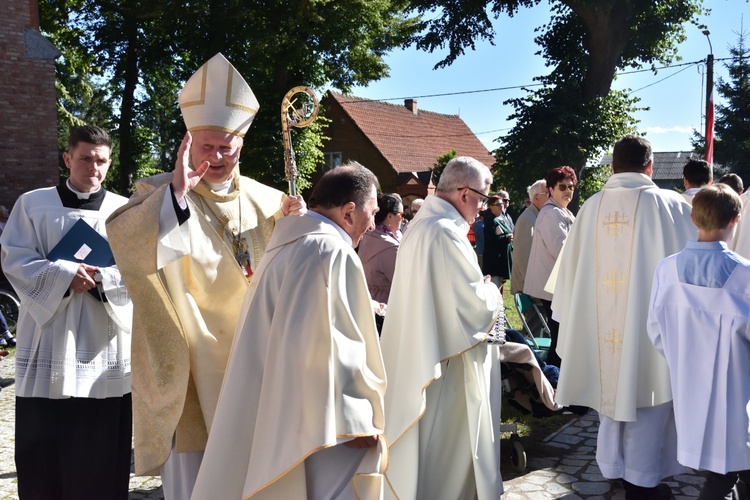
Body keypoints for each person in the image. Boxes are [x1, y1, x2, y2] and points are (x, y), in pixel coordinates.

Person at [105, 53, 305, 499]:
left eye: (226, 148)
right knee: (197, 482)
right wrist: (177, 194)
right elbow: (123, 240)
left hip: (256, 353)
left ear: (241, 147)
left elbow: (289, 271)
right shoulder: (157, 191)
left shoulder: (270, 199)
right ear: (187, 144)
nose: (216, 157)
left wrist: (298, 226)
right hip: (194, 363)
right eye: (206, 146)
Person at [191, 163, 386, 500]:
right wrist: (356, 417)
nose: (373, 223)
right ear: (349, 212)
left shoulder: (285, 246)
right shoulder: (330, 250)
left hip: (283, 409)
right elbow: (332, 344)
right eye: (373, 212)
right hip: (323, 425)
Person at [550, 135, 696, 499]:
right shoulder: (673, 206)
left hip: (601, 335)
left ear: (612, 167)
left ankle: (617, 469)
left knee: (612, 397)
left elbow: (568, 280)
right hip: (654, 336)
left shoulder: (590, 208)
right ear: (650, 166)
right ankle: (642, 479)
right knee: (651, 399)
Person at [1, 125, 133, 499]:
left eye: (102, 160)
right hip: (49, 338)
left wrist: (102, 278)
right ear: (67, 159)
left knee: (99, 449)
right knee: (45, 444)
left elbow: (139, 269)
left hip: (101, 338)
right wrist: (63, 274)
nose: (94, 167)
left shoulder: (122, 209)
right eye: (85, 158)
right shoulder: (33, 204)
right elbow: (14, 258)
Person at [380, 156, 505, 500]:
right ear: (464, 193)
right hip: (447, 365)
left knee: (427, 449)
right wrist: (492, 292)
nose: (482, 207)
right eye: (482, 197)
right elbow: (473, 307)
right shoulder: (445, 232)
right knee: (446, 452)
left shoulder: (423, 225)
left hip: (426, 351)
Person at [647, 184, 750, 500]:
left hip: (689, 388)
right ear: (735, 220)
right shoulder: (744, 274)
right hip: (736, 391)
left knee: (724, 470)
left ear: (694, 218)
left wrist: (686, 355)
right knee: (730, 467)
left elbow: (656, 329)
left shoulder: (666, 269)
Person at [524, 167, 576, 367]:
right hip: (552, 287)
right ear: (551, 189)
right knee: (560, 339)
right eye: (562, 186)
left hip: (557, 286)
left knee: (560, 337)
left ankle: (554, 381)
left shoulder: (563, 211)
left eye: (571, 186)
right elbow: (562, 250)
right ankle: (553, 381)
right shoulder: (551, 213)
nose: (567, 190)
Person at [358, 192, 402, 304]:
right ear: (390, 216)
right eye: (401, 215)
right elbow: (403, 284)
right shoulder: (391, 248)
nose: (402, 219)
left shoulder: (365, 236)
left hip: (365, 301)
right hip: (385, 308)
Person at [510, 179, 547, 295]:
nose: (552, 197)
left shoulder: (538, 215)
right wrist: (534, 290)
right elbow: (524, 258)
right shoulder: (527, 219)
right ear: (536, 198)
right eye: (547, 193)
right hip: (529, 292)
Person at [482, 191, 514, 291]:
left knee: (499, 284)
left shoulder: (503, 218)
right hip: (494, 262)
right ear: (491, 206)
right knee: (494, 286)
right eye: (499, 204)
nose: (502, 206)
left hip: (502, 260)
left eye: (502, 204)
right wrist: (506, 238)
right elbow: (490, 239)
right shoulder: (490, 220)